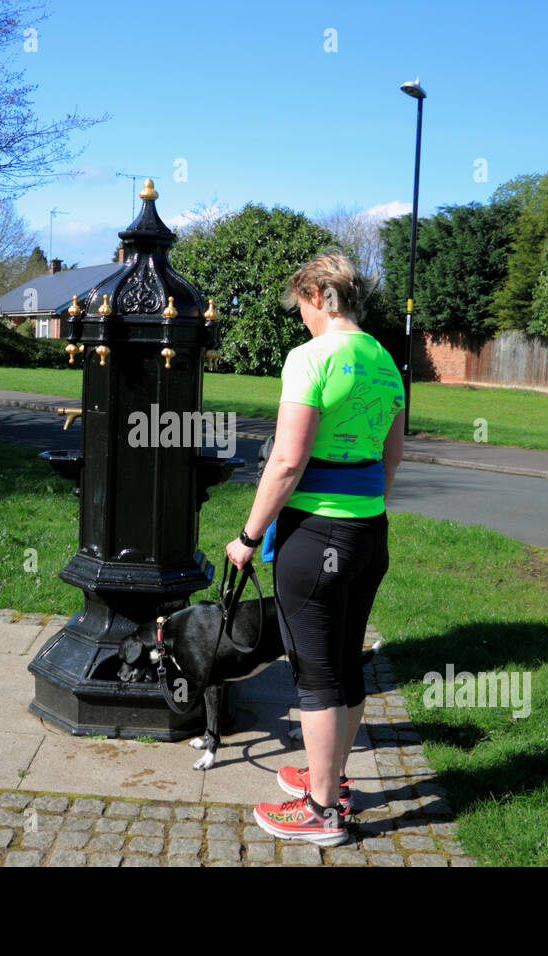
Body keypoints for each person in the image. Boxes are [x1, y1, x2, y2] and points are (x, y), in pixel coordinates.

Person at [225, 247, 405, 845]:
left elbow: (285, 461)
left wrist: (248, 536)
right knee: (345, 660)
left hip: (316, 535)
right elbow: (391, 457)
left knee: (317, 673)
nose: (300, 318)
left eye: (301, 306)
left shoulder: (310, 357)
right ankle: (331, 776)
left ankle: (323, 812)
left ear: (317, 299)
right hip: (368, 531)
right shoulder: (386, 359)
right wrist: (362, 506)